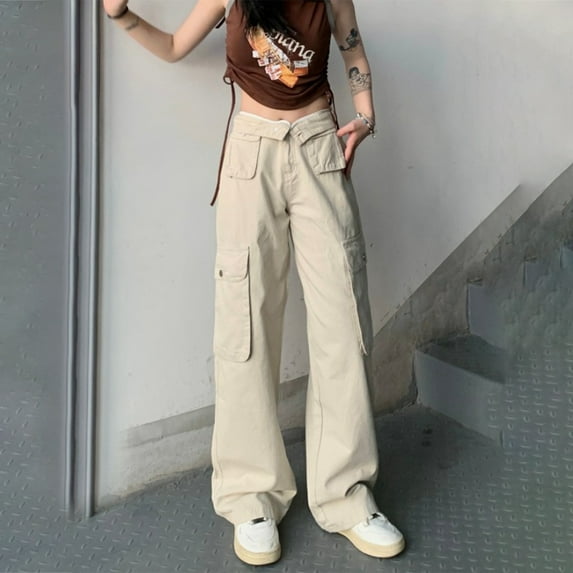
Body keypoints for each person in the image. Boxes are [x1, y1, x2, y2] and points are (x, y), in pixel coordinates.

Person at [103, 0, 406, 566]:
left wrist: (365, 118)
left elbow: (353, 49)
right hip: (251, 155)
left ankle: (347, 496)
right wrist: (121, 16)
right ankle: (251, 499)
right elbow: (175, 47)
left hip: (318, 148)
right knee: (244, 330)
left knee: (344, 325)